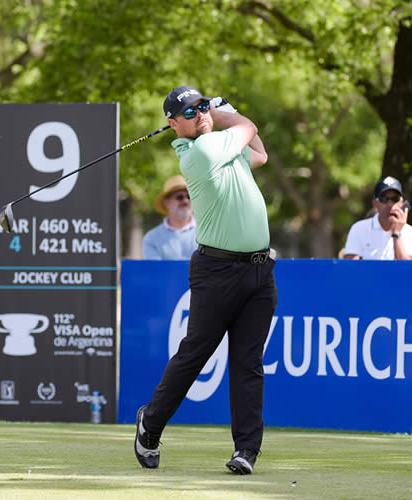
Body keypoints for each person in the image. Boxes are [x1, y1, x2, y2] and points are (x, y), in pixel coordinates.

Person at [134, 86, 277, 475]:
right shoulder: (200, 153)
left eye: (200, 106)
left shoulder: (222, 147)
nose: (199, 114)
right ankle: (150, 423)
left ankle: (246, 450)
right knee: (195, 354)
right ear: (172, 124)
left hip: (259, 272)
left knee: (248, 362)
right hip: (218, 272)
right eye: (190, 111)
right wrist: (221, 109)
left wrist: (214, 114)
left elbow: (259, 154)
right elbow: (249, 126)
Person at [342, 176, 412, 260]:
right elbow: (350, 267)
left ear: (401, 202)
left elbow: (407, 270)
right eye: (384, 199)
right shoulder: (359, 229)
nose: (390, 204)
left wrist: (396, 234)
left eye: (395, 199)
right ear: (375, 203)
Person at [142, 175, 199, 260]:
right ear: (166, 203)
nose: (185, 200)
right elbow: (155, 271)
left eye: (189, 196)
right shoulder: (151, 238)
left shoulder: (207, 233)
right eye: (180, 197)